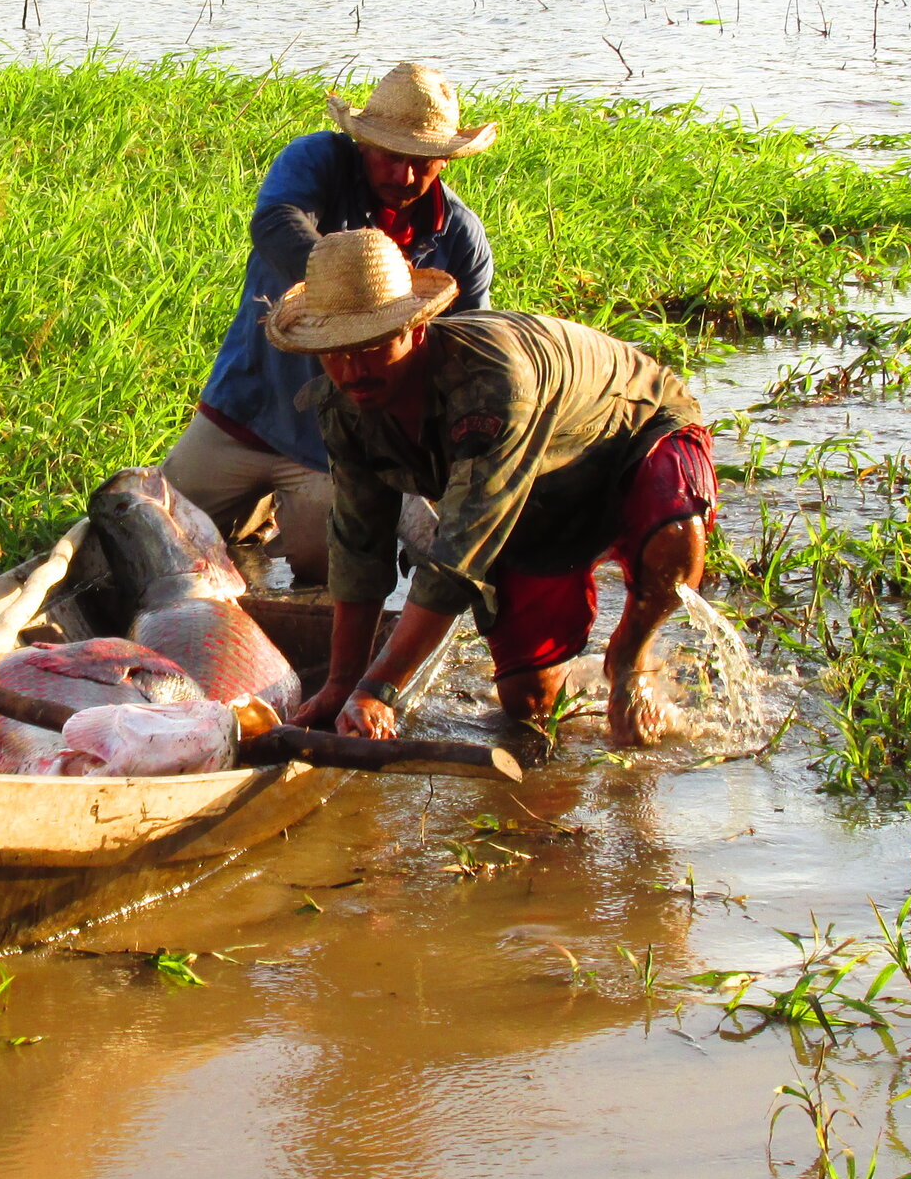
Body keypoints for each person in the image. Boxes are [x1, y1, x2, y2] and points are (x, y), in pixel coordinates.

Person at [267, 227, 714, 751]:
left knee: (674, 537)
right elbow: (359, 544)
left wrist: (379, 688)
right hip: (536, 487)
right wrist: (344, 683)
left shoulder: (493, 383)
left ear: (416, 329)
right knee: (528, 704)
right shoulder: (343, 407)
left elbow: (459, 556)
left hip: (630, 435)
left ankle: (630, 655)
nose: (353, 371)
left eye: (372, 346)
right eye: (336, 353)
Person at [162, 62, 497, 585]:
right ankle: (254, 520)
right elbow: (275, 221)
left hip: (340, 447)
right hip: (247, 409)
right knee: (163, 537)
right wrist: (346, 288)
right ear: (364, 143)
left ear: (444, 161)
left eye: (421, 163)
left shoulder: (459, 238)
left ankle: (288, 521)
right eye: (390, 156)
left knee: (329, 574)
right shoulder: (318, 160)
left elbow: (469, 358)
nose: (403, 177)